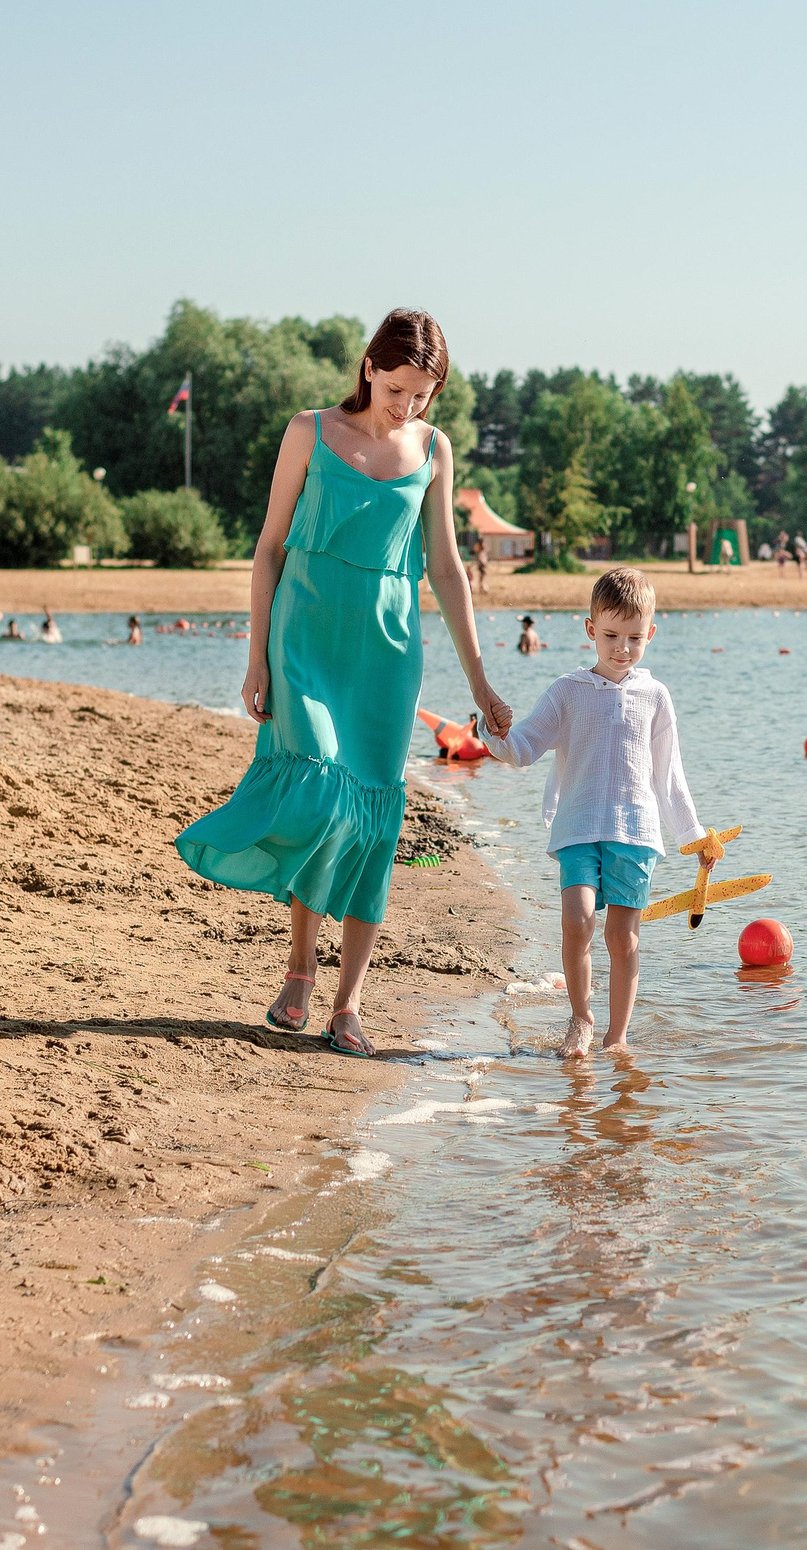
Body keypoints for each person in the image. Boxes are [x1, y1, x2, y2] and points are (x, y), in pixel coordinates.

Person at [176, 308, 509, 1060]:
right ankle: (301, 964)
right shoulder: (309, 431)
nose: (406, 406)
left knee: (371, 820)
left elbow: (446, 569)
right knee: (322, 792)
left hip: (386, 652)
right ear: (368, 368)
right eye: (396, 389)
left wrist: (481, 684)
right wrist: (256, 658)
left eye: (422, 394)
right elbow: (269, 548)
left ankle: (347, 1003)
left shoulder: (433, 449)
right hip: (304, 638)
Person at [480, 567, 702, 1058]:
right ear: (590, 629)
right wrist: (494, 732)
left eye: (634, 638)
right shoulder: (568, 691)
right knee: (578, 920)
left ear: (651, 633)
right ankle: (581, 1017)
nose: (622, 648)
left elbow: (670, 775)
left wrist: (694, 836)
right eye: (611, 635)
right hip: (578, 826)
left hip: (636, 832)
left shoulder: (656, 696)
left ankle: (617, 1037)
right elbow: (524, 746)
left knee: (623, 938)